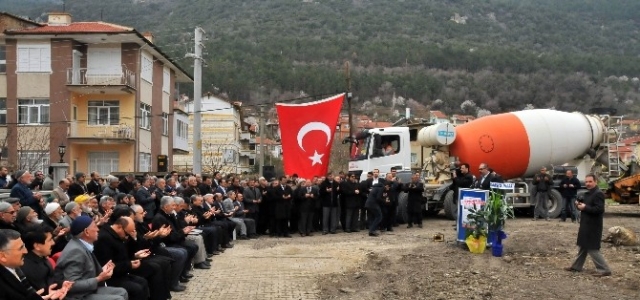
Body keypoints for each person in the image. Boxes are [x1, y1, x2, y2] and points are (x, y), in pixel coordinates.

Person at [53, 215, 129, 300]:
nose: (98, 229)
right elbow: (72, 285)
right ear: (86, 232)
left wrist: (102, 271)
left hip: (87, 290)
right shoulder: (75, 251)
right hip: (78, 296)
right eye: (95, 226)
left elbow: (86, 272)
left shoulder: (82, 245)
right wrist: (99, 278)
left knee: (123, 292)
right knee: (118, 299)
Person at [0, 229, 70, 300]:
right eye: (20, 248)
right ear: (3, 256)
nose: (26, 251)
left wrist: (46, 295)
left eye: (23, 246)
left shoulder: (15, 268)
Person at [564, 174, 612, 277]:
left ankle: (604, 269)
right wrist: (578, 205)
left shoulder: (598, 194)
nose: (588, 184)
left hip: (593, 225)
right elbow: (584, 207)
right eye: (586, 182)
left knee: (592, 247)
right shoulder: (587, 194)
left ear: (595, 182)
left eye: (590, 182)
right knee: (583, 246)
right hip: (586, 224)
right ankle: (576, 266)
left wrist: (585, 207)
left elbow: (599, 209)